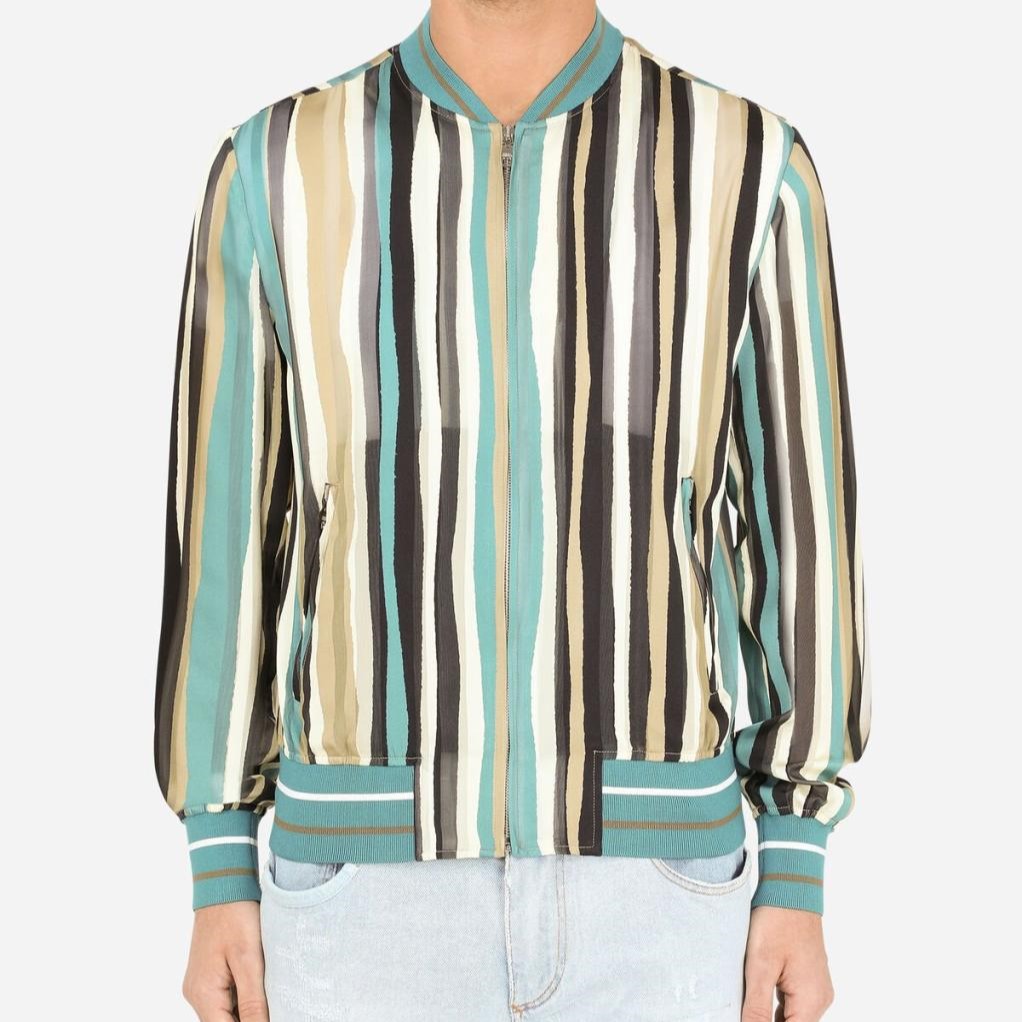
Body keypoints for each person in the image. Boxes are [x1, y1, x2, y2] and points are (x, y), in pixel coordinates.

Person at [153, 1, 871, 1019]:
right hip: (358, 898)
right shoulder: (276, 167)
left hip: (659, 897)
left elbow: (802, 527)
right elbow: (224, 528)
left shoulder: (746, 166)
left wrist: (794, 860)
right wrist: (219, 857)